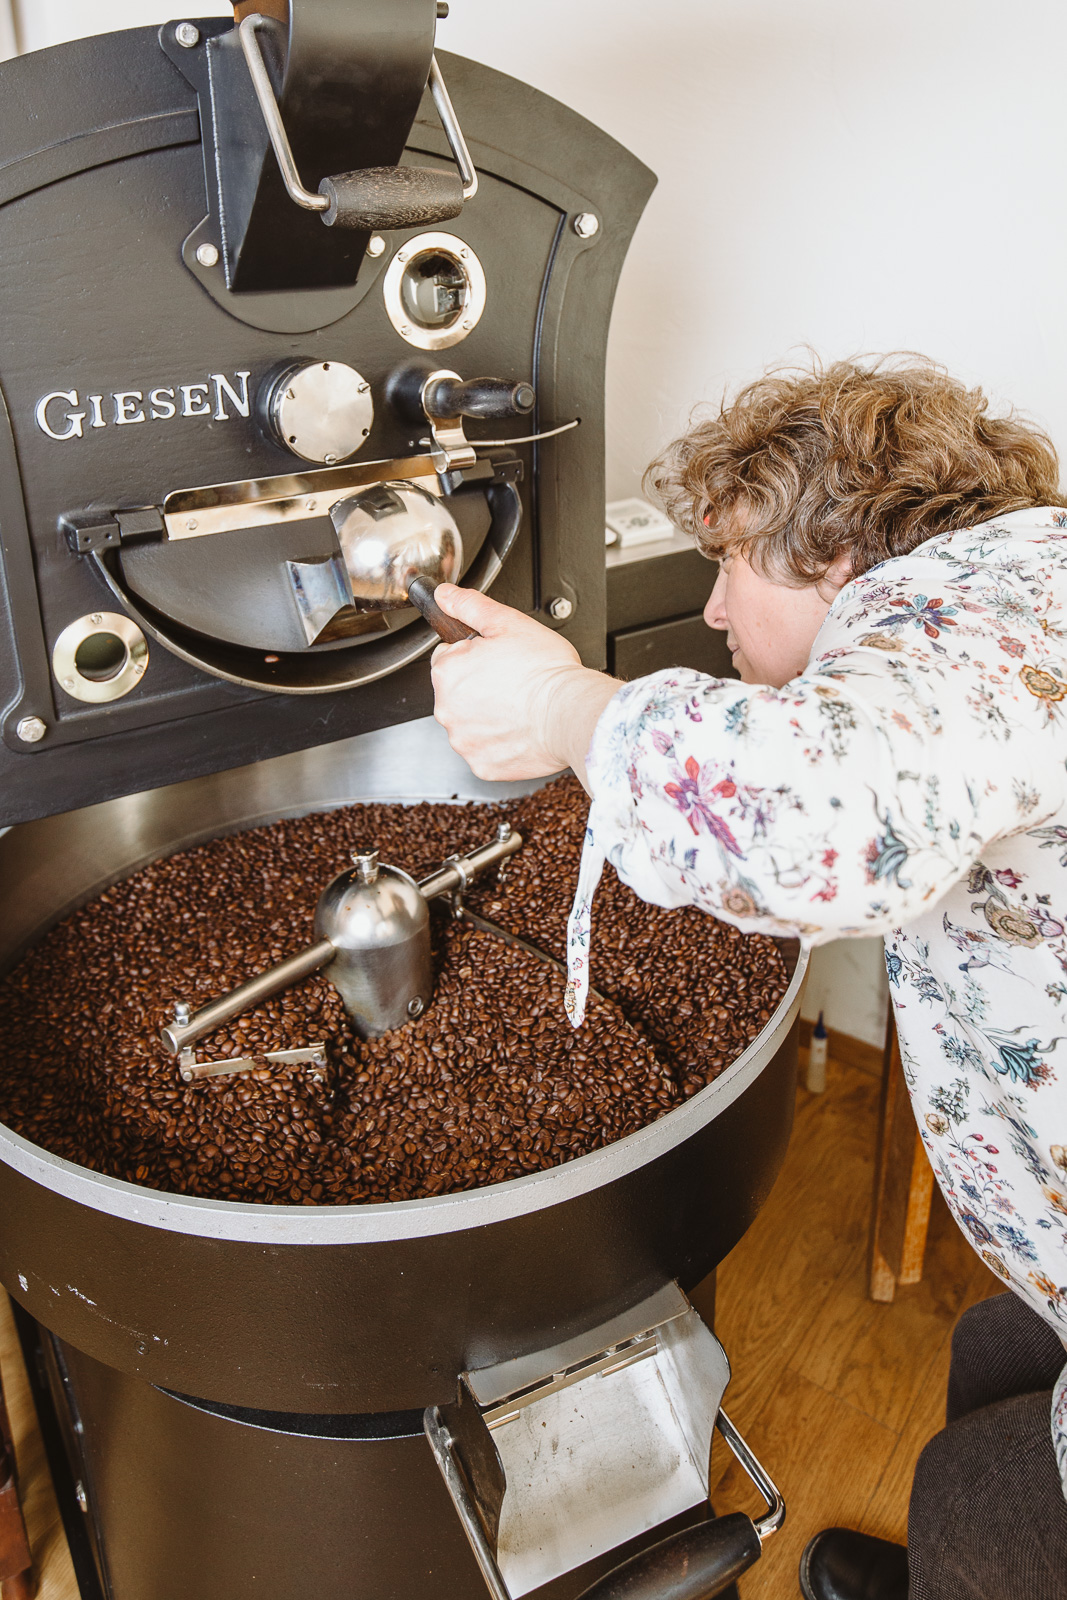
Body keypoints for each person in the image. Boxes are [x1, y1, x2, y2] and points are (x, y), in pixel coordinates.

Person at [429, 357, 1067, 1600]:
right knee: (1001, 1340)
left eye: (727, 563)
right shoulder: (1022, 579)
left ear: (830, 547)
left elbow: (807, 807)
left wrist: (561, 704)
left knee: (976, 1499)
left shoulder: (967, 630)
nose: (714, 613)